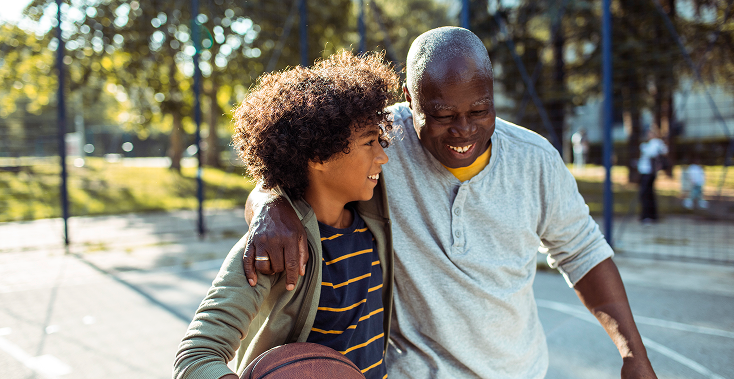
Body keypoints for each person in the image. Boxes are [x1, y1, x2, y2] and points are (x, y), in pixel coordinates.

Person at [243, 27, 657, 379]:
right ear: (410, 98)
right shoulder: (380, 143)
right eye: (442, 116)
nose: (464, 131)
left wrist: (633, 353)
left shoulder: (535, 160)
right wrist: (271, 204)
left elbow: (583, 252)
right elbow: (293, 170)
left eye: (480, 110)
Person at [173, 51, 399, 379]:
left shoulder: (372, 220)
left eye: (381, 140)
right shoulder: (274, 247)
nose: (383, 157)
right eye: (369, 143)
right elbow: (197, 354)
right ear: (319, 155)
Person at [638, 129, 668, 222]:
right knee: (649, 194)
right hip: (646, 172)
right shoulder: (654, 143)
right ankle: (652, 216)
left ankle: (647, 216)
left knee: (646, 194)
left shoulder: (655, 142)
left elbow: (652, 153)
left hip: (648, 172)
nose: (648, 135)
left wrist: (643, 148)